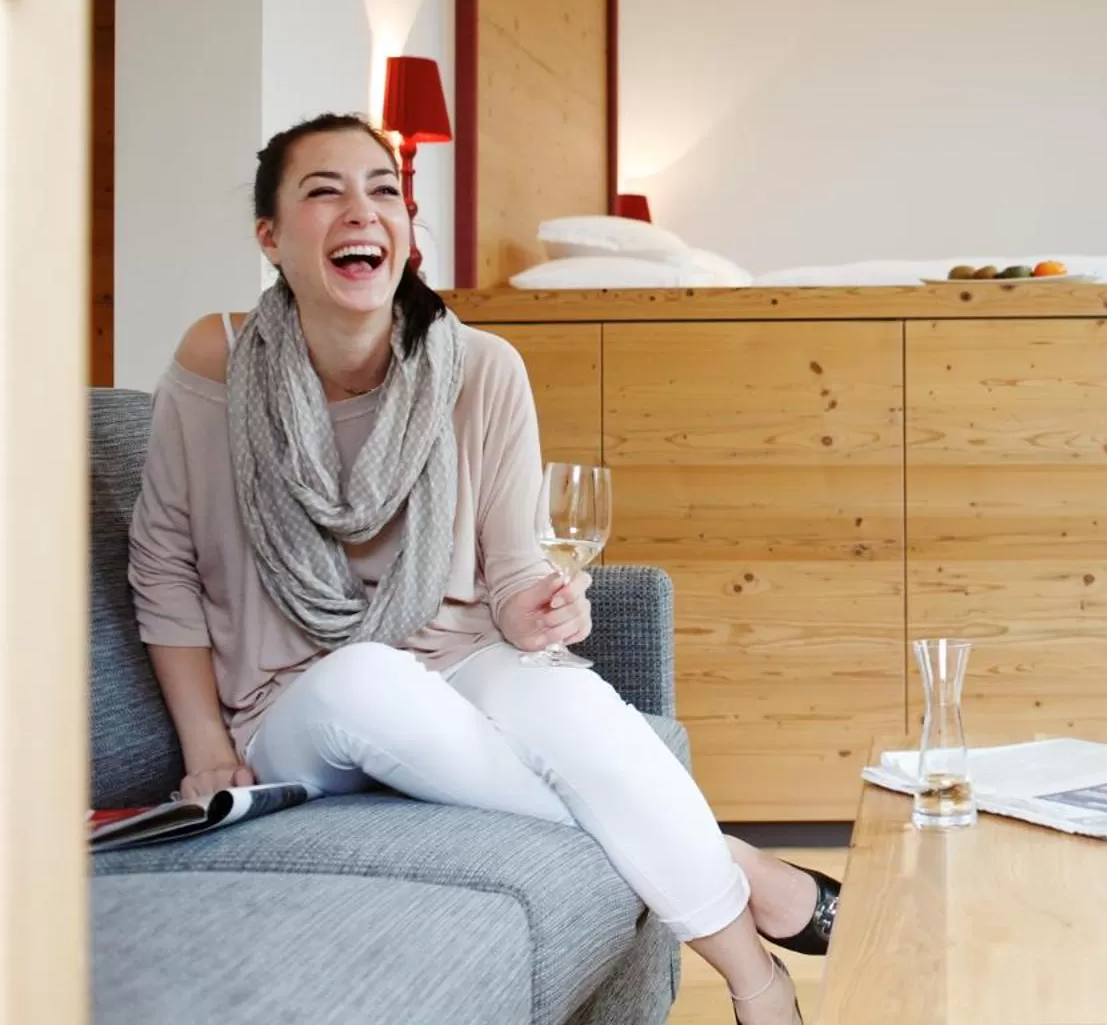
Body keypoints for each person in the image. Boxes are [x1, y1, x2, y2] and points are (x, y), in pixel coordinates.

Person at [129, 113, 827, 1024]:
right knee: (368, 678)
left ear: (407, 230)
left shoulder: (481, 368)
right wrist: (207, 750)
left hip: (459, 658)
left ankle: (758, 985)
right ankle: (734, 862)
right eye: (324, 190)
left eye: (384, 191)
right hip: (292, 703)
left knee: (571, 702)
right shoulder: (215, 363)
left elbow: (511, 572)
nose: (361, 211)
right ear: (269, 235)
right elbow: (165, 566)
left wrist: (539, 609)